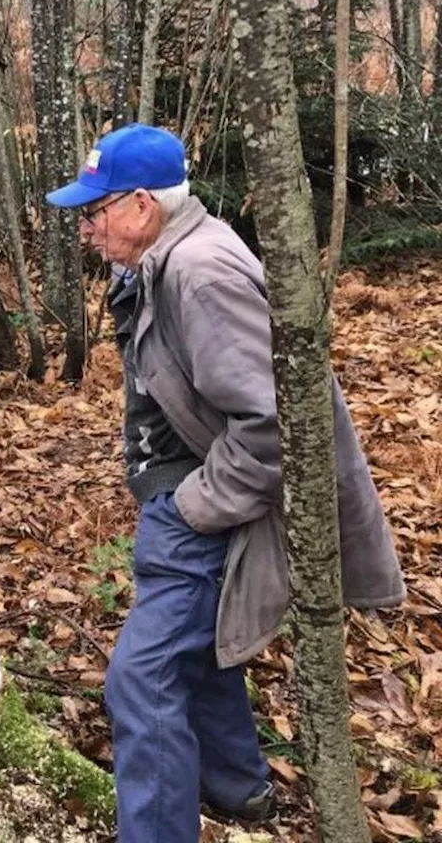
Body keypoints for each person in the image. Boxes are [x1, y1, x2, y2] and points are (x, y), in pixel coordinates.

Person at [45, 123, 405, 842]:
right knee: (200, 653)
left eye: (96, 211)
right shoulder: (164, 258)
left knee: (140, 680)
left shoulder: (198, 273)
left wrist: (193, 506)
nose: (87, 229)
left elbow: (273, 425)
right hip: (188, 486)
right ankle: (239, 788)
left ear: (142, 206)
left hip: (206, 499)